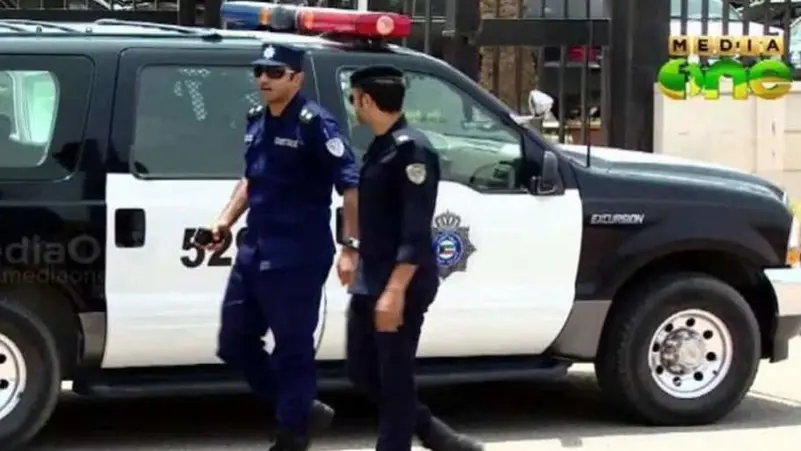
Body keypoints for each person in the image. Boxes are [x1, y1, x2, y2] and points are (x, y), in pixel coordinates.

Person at [203, 43, 360, 451]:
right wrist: (224, 221)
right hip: (255, 248)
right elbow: (251, 178)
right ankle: (302, 408)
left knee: (292, 348)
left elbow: (350, 185)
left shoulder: (315, 124)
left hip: (298, 252)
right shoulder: (257, 120)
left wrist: (351, 246)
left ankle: (292, 434)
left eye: (275, 72)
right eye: (259, 71)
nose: (264, 79)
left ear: (297, 78)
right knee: (234, 342)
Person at [343, 65, 484, 451]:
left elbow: (415, 227)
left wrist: (395, 291)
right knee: (362, 371)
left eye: (353, 99)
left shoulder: (412, 150)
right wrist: (350, 249)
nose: (353, 106)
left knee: (394, 377)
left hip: (400, 281)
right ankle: (435, 434)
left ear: (366, 100)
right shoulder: (381, 144)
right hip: (371, 276)